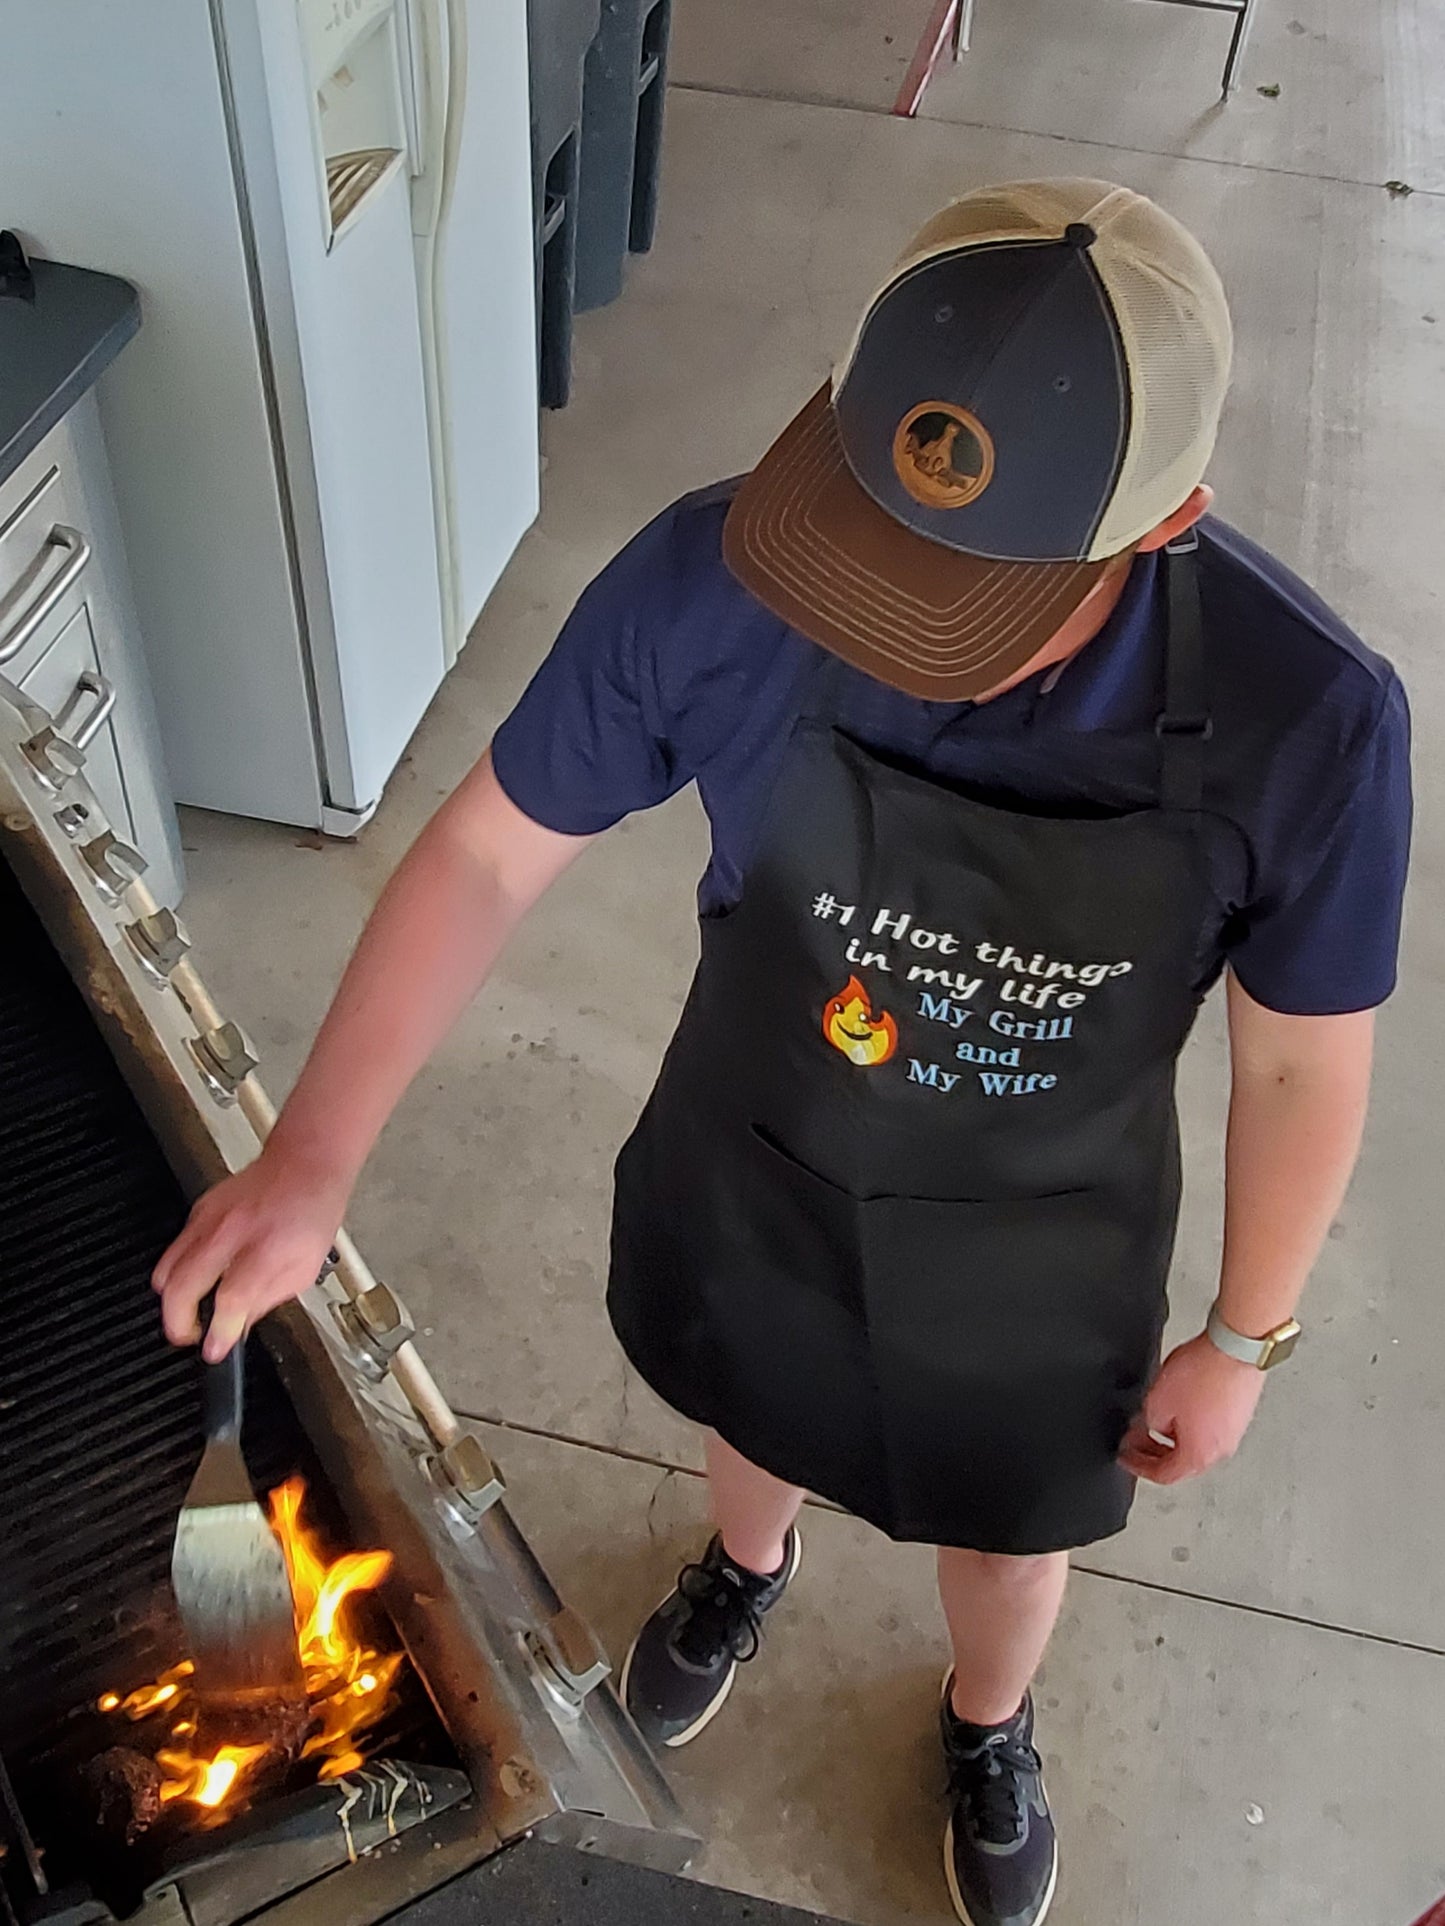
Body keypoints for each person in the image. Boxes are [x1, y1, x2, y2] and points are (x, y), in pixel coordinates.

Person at [153, 179, 1411, 1926]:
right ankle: (745, 1566)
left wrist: (1245, 1331)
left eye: (962, 603)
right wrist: (312, 1156)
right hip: (758, 1141)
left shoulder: (1310, 721)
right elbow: (486, 852)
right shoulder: (718, 569)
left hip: (1040, 1227)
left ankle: (986, 1720)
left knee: (1008, 1532)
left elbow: (1295, 1060)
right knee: (747, 1401)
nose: (882, 623)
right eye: (867, 545)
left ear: (1162, 522)